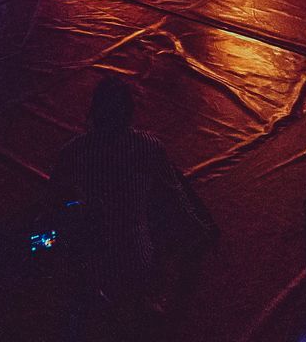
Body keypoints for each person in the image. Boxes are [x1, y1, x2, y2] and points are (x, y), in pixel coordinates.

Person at [51, 76, 217, 328]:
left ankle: (96, 300)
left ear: (94, 112)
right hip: (139, 256)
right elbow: (178, 199)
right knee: (165, 189)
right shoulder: (149, 147)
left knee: (73, 215)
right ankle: (149, 300)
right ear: (130, 112)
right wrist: (200, 228)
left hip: (94, 257)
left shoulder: (74, 150)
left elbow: (52, 200)